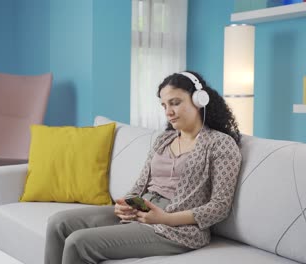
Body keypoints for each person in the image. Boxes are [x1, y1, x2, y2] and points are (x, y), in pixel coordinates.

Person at [44, 71, 243, 264]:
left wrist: (166, 218)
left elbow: (219, 207)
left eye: (175, 103)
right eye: (164, 105)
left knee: (78, 243)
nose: (168, 112)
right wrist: (125, 205)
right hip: (141, 209)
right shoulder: (164, 139)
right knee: (58, 223)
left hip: (176, 229)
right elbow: (140, 184)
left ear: (199, 100)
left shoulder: (220, 144)